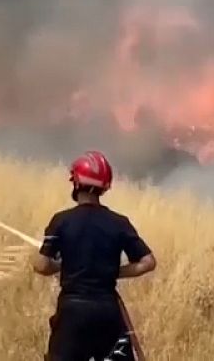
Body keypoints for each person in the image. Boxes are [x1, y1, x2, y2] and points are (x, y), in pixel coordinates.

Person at [32, 150, 157, 361]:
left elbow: (42, 265)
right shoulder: (119, 223)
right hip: (107, 311)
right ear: (104, 187)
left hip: (72, 313)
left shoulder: (62, 221)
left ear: (77, 183)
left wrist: (63, 265)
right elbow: (148, 262)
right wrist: (111, 272)